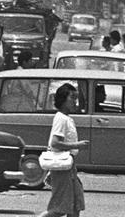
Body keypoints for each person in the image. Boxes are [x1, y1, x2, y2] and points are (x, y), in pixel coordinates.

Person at [39, 84, 88, 217]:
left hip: (69, 165)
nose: (75, 102)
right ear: (63, 99)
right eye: (72, 98)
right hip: (62, 166)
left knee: (75, 204)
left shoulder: (66, 118)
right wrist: (77, 145)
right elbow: (55, 143)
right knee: (59, 208)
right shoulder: (61, 118)